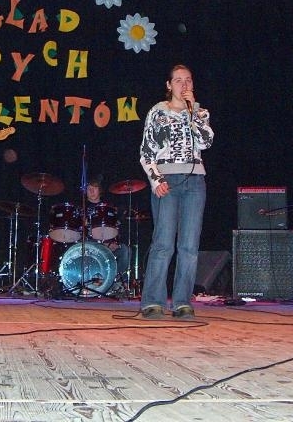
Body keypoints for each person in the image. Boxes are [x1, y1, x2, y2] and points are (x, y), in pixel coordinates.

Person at [138, 64, 214, 320]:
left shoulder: (199, 112)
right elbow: (146, 152)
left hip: (195, 181)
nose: (184, 85)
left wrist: (193, 114)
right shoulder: (157, 112)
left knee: (189, 246)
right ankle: (153, 301)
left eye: (188, 80)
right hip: (167, 180)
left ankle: (182, 302)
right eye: (178, 80)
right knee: (163, 244)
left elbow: (206, 142)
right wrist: (155, 179)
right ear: (169, 85)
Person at [83, 179, 131, 286]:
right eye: (89, 188)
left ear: (100, 190)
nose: (91, 191)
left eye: (94, 188)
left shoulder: (109, 207)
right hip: (90, 245)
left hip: (109, 244)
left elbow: (115, 228)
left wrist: (113, 242)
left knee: (125, 250)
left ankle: (118, 284)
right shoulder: (82, 208)